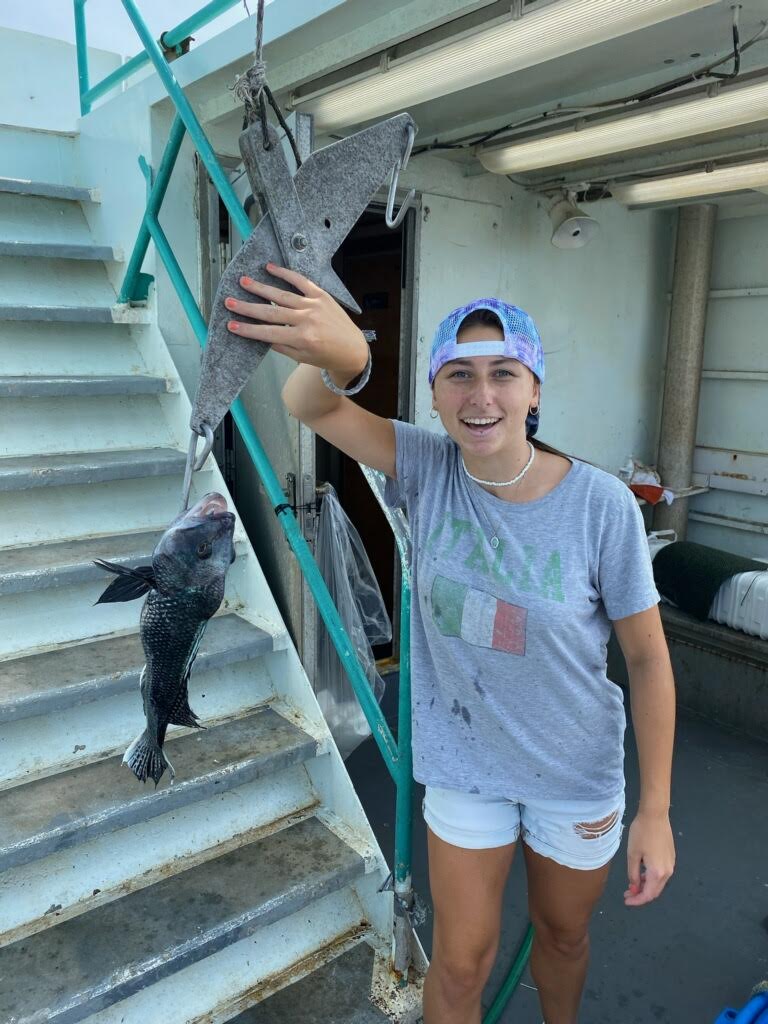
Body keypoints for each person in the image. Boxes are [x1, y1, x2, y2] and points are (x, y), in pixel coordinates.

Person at [223, 264, 677, 1024]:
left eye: (504, 373)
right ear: (434, 394)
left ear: (534, 392)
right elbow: (306, 403)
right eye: (459, 375)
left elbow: (648, 660)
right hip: (467, 766)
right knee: (461, 962)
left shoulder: (601, 506)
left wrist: (655, 809)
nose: (481, 395)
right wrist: (348, 360)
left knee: (563, 937)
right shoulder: (427, 467)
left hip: (575, 772)